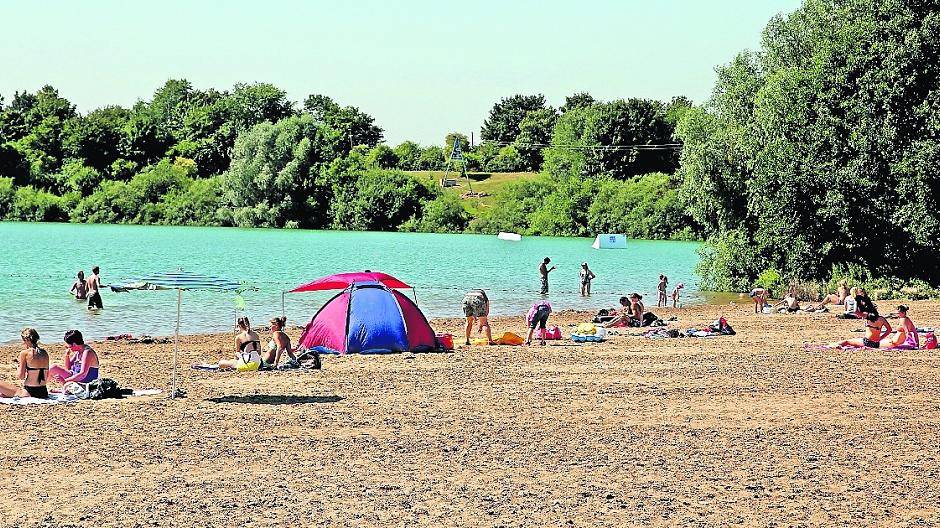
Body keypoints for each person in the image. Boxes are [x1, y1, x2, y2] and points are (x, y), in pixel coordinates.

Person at [0, 328, 50, 399]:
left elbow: (21, 376)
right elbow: (46, 375)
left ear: (26, 340)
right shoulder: (45, 353)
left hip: (28, 392)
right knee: (4, 394)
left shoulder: (24, 353)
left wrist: (18, 368)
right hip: (43, 392)